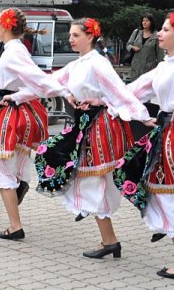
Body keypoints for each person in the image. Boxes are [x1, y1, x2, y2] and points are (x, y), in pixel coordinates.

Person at [33, 17, 153, 259]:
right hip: (85, 125)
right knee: (57, 158)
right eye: (70, 35)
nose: (71, 39)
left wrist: (141, 116)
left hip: (100, 127)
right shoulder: (79, 63)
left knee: (95, 181)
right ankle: (108, 238)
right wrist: (65, 93)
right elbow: (51, 81)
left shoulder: (98, 63)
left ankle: (109, 239)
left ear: (90, 37)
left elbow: (119, 91)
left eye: (76, 35)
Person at [0, 8, 69, 240]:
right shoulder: (14, 49)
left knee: (1, 168)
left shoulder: (14, 52)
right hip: (22, 109)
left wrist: (60, 90)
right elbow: (0, 74)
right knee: (14, 163)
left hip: (13, 113)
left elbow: (36, 79)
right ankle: (18, 188)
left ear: (5, 26)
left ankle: (15, 224)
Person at [124, 9, 174, 279]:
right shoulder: (166, 65)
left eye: (166, 30)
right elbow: (134, 90)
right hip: (165, 135)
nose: (159, 32)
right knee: (163, 193)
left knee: (171, 196)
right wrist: (108, 100)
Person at [126, 13, 164, 81]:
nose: (144, 22)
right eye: (143, 21)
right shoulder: (136, 32)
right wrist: (132, 47)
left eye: (147, 21)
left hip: (149, 70)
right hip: (136, 68)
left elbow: (160, 55)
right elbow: (128, 45)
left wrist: (160, 70)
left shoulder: (156, 35)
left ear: (151, 22)